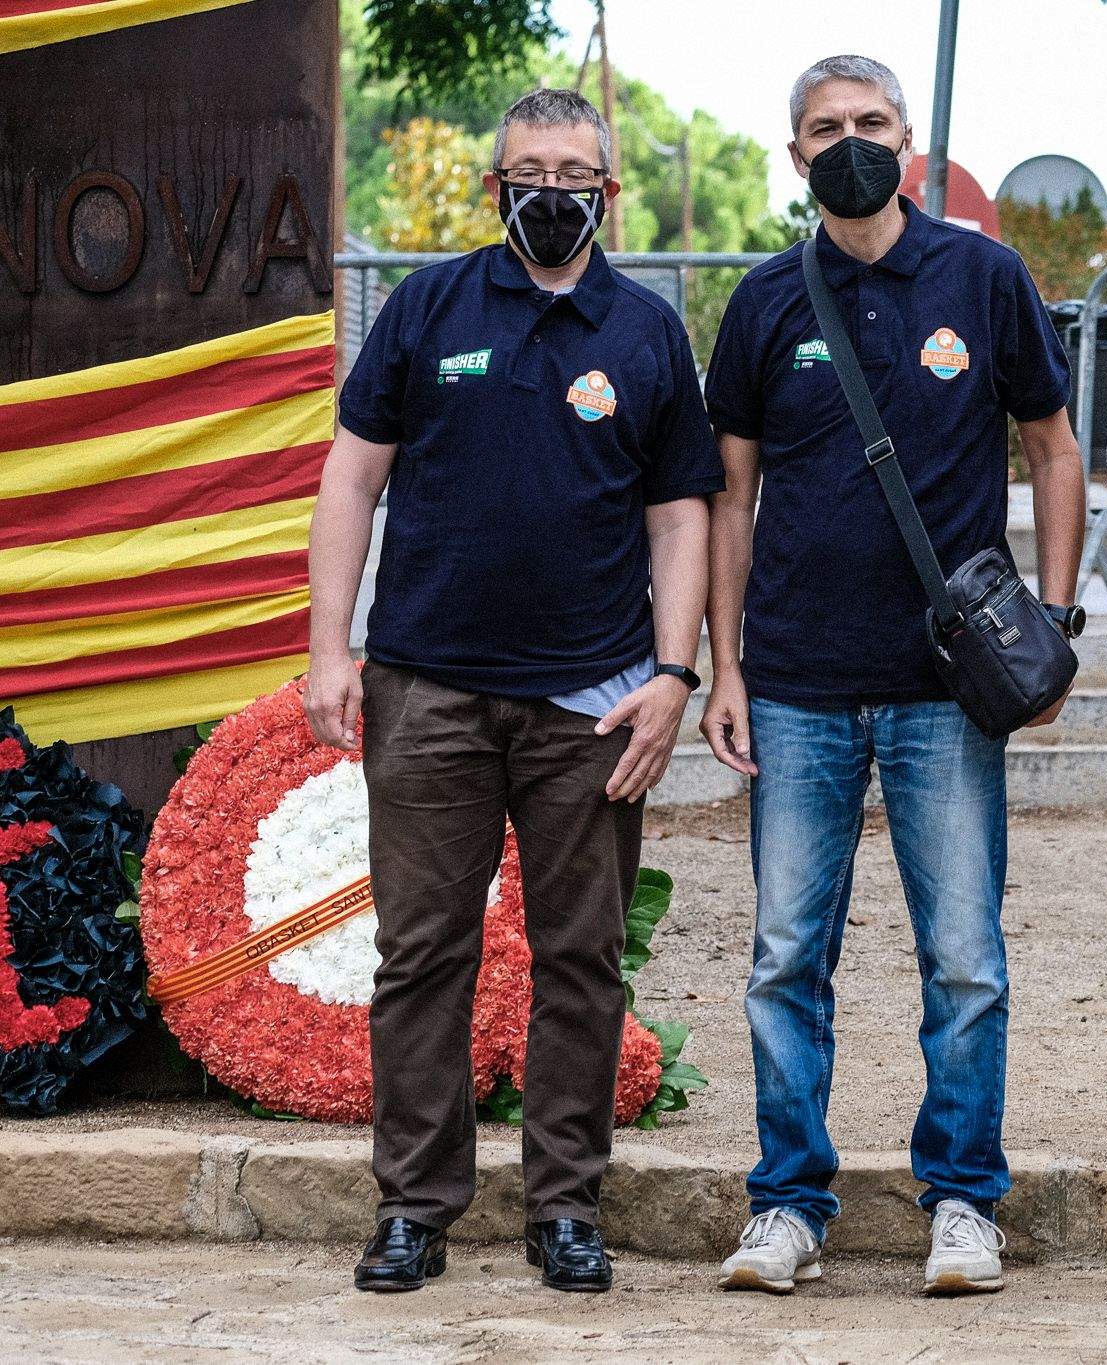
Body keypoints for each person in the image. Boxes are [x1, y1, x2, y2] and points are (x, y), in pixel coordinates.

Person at [307, 88, 721, 1294]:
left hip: (588, 705)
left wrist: (673, 674)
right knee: (420, 955)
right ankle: (414, 1209)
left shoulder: (645, 334)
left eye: (574, 172)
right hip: (427, 691)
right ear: (497, 187)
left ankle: (565, 1207)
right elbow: (351, 479)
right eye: (529, 170)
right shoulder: (427, 305)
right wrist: (331, 649)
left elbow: (681, 514)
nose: (552, 190)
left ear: (608, 193)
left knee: (580, 959)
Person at [699, 54, 1084, 1297]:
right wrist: (724, 664)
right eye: (826, 129)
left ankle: (964, 1202)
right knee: (781, 960)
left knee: (963, 957)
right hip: (799, 681)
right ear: (793, 153)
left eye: (870, 123)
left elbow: (1053, 446)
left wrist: (1059, 617)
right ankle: (786, 1206)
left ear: (908, 142)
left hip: (942, 687)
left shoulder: (984, 276)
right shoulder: (762, 300)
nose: (850, 142)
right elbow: (729, 496)